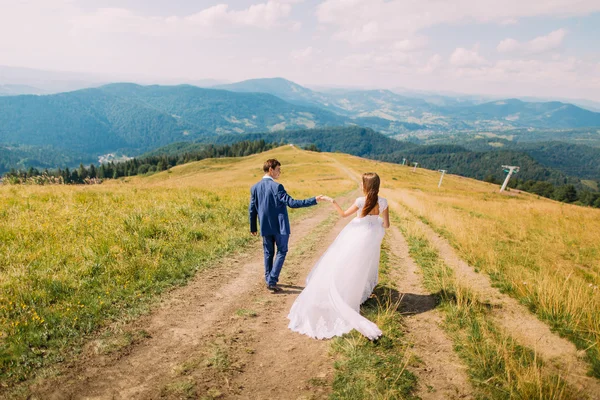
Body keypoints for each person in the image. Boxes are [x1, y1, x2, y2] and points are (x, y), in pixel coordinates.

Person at [287, 172, 390, 340]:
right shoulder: (384, 202)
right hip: (371, 240)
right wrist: (375, 222)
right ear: (377, 186)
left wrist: (333, 201)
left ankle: (343, 294)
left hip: (357, 237)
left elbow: (343, 215)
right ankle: (355, 294)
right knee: (363, 267)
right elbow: (386, 224)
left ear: (364, 186)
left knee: (345, 264)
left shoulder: (360, 201)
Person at [249, 159, 324, 292]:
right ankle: (271, 280)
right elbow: (292, 203)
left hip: (265, 226)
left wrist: (253, 227)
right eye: (278, 170)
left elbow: (252, 209)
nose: (280, 172)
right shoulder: (277, 187)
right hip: (280, 227)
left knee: (268, 253)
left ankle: (269, 279)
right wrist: (313, 200)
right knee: (282, 251)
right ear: (271, 170)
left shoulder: (254, 187)